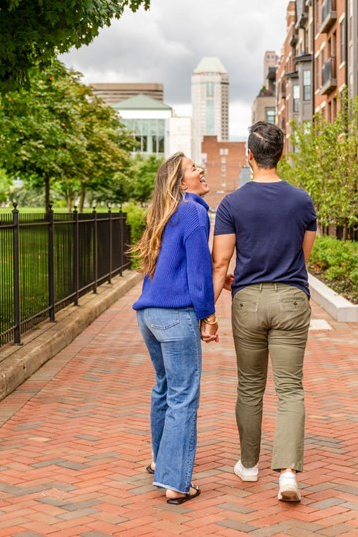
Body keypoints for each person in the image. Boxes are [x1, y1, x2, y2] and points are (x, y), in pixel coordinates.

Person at [212, 121, 317, 503]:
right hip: (290, 297)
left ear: (250, 156)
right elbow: (303, 257)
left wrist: (210, 310)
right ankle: (287, 473)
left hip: (248, 300)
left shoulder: (232, 203)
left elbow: (220, 262)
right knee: (290, 388)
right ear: (282, 153)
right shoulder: (302, 200)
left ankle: (249, 465)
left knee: (250, 385)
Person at [131, 153, 220, 505]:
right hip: (174, 313)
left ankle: (160, 460)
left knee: (164, 389)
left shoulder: (163, 213)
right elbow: (199, 271)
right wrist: (208, 316)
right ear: (182, 183)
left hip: (148, 313)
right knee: (183, 396)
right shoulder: (194, 211)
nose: (201, 169)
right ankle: (176, 483)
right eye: (193, 168)